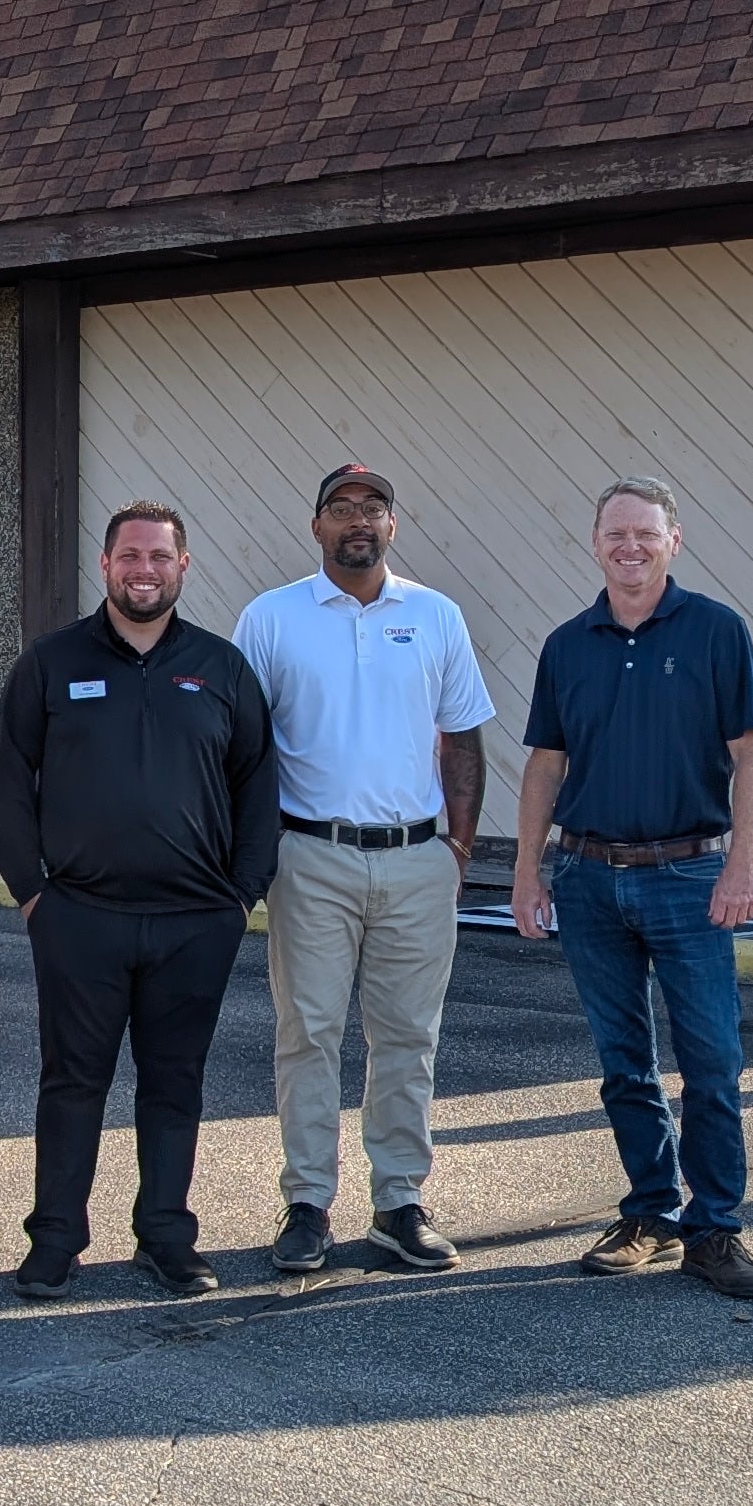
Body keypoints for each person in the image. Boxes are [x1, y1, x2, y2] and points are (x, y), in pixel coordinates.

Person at [0, 500, 278, 1301]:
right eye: (129, 557)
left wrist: (238, 896)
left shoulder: (221, 668)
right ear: (106, 565)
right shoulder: (50, 663)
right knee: (72, 1083)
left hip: (196, 922)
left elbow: (259, 783)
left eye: (159, 557)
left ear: (184, 567)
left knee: (174, 1082)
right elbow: (11, 782)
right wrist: (33, 895)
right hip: (79, 916)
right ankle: (56, 1239)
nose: (143, 570)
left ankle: (165, 1237)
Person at [513, 480, 753, 1302]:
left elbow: (752, 756)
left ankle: (716, 1230)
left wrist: (743, 865)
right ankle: (651, 1215)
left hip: (691, 876)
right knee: (625, 1065)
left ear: (675, 540)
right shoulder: (568, 645)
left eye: (646, 534)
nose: (630, 547)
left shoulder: (715, 631)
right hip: (588, 879)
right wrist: (526, 869)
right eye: (615, 534)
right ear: (595, 543)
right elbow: (545, 765)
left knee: (711, 1063)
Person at [233, 467, 496, 1279]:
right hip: (309, 856)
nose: (358, 522)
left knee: (408, 1039)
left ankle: (398, 1204)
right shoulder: (271, 619)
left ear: (393, 524)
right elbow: (242, 747)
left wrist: (456, 850)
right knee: (307, 1035)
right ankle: (307, 1203)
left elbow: (463, 740)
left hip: (417, 859)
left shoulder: (435, 616)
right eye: (342, 509)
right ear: (316, 527)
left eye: (372, 509)